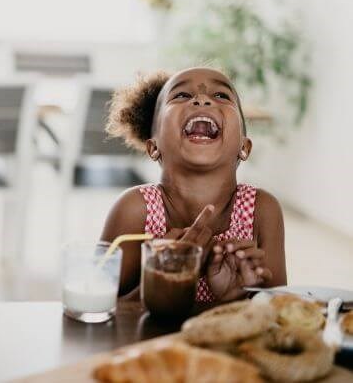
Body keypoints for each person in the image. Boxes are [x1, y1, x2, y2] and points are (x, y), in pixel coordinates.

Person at [101, 67, 286, 303]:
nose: (202, 99)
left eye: (221, 95)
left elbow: (280, 312)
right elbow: (96, 312)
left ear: (244, 146)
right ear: (153, 146)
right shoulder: (134, 209)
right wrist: (165, 279)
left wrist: (235, 297)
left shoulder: (263, 210)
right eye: (181, 95)